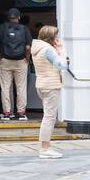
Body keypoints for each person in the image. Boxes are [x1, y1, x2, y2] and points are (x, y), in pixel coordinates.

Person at [30, 26, 67, 160]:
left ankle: (45, 147)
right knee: (49, 117)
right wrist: (61, 50)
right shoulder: (48, 49)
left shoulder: (37, 47)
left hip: (41, 84)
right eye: (56, 35)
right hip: (51, 85)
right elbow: (62, 65)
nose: (58, 38)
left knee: (48, 116)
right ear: (51, 37)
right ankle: (45, 148)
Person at [0, 8, 32, 121]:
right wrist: (27, 59)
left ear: (8, 17)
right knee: (21, 87)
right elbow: (28, 47)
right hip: (21, 61)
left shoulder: (0, 28)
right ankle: (21, 113)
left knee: (5, 87)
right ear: (19, 17)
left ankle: (7, 112)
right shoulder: (24, 29)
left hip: (5, 61)